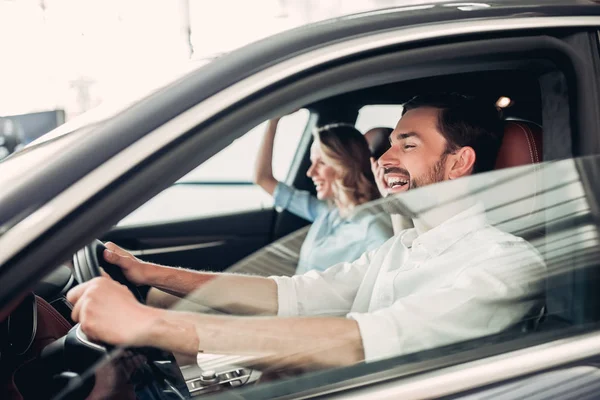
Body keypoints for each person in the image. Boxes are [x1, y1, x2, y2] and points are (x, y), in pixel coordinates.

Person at [67, 93, 546, 371]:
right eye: (389, 144)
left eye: (408, 143)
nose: (384, 159)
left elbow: (365, 340)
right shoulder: (402, 246)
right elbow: (292, 294)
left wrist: (156, 326)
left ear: (459, 161)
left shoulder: (504, 264)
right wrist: (151, 272)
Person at [253, 117, 393, 274]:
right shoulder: (327, 213)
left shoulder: (372, 227)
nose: (310, 172)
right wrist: (273, 120)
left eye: (321, 162)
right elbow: (263, 179)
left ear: (345, 165)